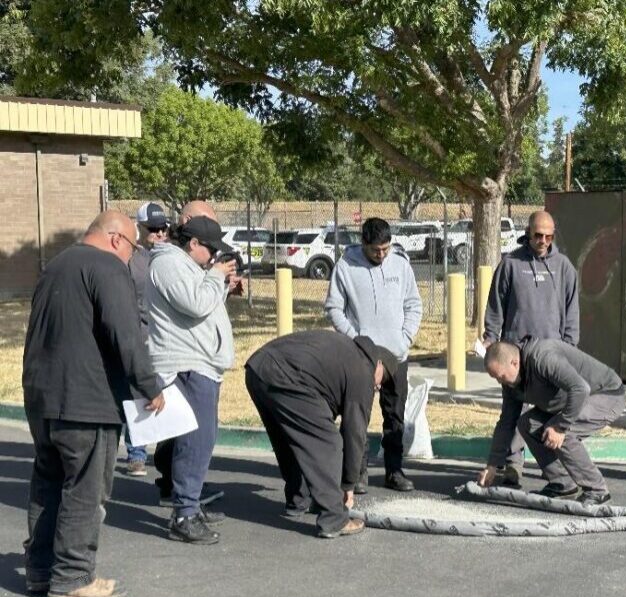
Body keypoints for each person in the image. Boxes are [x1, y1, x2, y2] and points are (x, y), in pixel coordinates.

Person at [22, 210, 165, 597]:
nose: (132, 257)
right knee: (86, 488)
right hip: (87, 400)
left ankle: (40, 569)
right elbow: (126, 332)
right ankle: (72, 577)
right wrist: (149, 385)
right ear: (117, 239)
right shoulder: (106, 267)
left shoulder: (56, 265)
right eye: (134, 248)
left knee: (49, 482)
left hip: (42, 397)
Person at [245, 330, 398, 538]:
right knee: (329, 443)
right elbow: (354, 434)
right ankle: (333, 518)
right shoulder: (363, 369)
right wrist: (347, 485)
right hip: (285, 375)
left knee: (291, 438)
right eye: (380, 382)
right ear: (378, 365)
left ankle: (299, 500)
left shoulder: (345, 350)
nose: (377, 387)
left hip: (258, 369)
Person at [147, 213, 242, 544]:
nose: (214, 256)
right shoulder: (168, 263)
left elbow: (203, 304)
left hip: (200, 362)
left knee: (198, 438)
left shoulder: (188, 265)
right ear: (193, 243)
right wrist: (216, 276)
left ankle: (189, 504)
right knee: (195, 440)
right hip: (185, 363)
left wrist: (223, 286)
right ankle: (184, 513)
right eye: (210, 249)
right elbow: (195, 304)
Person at [482, 210, 580, 491]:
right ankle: (512, 465)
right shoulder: (511, 263)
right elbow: (496, 306)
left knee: (550, 415)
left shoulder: (563, 267)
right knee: (512, 413)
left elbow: (572, 311)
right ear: (528, 232)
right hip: (516, 357)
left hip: (551, 357)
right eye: (538, 235)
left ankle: (558, 471)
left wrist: (569, 348)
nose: (543, 241)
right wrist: (491, 338)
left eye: (549, 236)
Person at [325, 217, 422, 493]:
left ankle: (394, 470)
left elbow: (414, 304)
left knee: (395, 417)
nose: (381, 255)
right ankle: (358, 472)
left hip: (396, 355)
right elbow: (334, 308)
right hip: (361, 357)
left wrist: (405, 339)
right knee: (357, 416)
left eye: (385, 249)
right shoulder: (345, 266)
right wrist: (356, 341)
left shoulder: (401, 264)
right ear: (363, 244)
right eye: (375, 250)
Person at [478, 338, 625, 506]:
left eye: (501, 376)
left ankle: (597, 491)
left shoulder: (542, 357)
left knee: (564, 433)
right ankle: (563, 484)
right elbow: (507, 421)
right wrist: (492, 465)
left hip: (606, 394)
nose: (500, 382)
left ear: (514, 363)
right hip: (572, 400)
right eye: (496, 378)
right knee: (527, 424)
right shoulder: (510, 383)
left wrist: (560, 426)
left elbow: (580, 389)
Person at [120, 202, 171, 478]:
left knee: (166, 395)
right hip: (139, 335)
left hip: (166, 339)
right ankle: (136, 453)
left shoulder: (170, 257)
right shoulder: (131, 260)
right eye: (153, 229)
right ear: (139, 228)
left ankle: (165, 458)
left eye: (163, 228)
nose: (159, 233)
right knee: (137, 393)